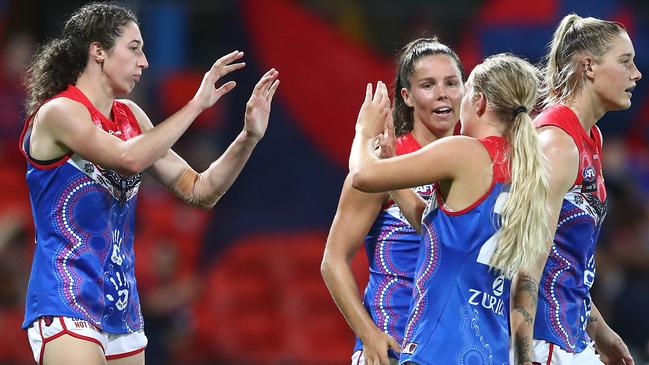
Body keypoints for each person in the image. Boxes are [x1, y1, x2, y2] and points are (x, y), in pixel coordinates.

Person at [18, 3, 279, 365]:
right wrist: (196, 104)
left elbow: (199, 190)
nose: (145, 62)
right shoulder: (59, 112)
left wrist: (248, 138)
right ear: (98, 51)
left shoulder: (132, 117)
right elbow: (129, 158)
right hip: (66, 297)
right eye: (134, 48)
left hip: (121, 307)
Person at [348, 53, 551, 365]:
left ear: (480, 102)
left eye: (464, 90)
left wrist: (364, 129)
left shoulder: (464, 152)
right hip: (490, 351)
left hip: (439, 348)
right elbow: (446, 236)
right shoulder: (527, 172)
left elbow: (362, 176)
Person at [321, 38, 464, 365]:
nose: (442, 93)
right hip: (393, 347)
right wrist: (368, 335)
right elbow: (333, 261)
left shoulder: (476, 165)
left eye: (451, 83)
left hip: (455, 348)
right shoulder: (380, 167)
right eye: (428, 85)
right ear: (407, 96)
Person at [509, 14, 642, 365]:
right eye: (625, 62)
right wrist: (522, 358)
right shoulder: (556, 144)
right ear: (589, 67)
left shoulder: (589, 138)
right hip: (542, 344)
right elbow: (524, 267)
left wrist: (600, 331)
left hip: (571, 338)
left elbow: (565, 263)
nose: (636, 74)